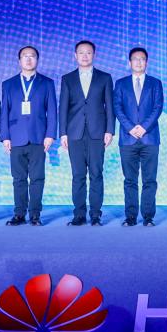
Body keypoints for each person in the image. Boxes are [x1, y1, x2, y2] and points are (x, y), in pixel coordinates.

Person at [59, 40, 115, 226]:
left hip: (97, 133)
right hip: (74, 133)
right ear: (75, 55)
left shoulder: (104, 78)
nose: (85, 56)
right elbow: (63, 107)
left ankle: (96, 214)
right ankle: (79, 215)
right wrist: (63, 133)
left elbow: (110, 106)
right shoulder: (67, 79)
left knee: (96, 174)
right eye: (81, 52)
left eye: (88, 52)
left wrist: (109, 130)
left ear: (94, 55)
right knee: (78, 175)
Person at [0, 45, 58, 226]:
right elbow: (4, 112)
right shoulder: (8, 84)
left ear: (37, 60)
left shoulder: (47, 83)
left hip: (39, 138)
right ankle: (19, 214)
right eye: (25, 56)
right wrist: (5, 136)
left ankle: (35, 215)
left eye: (32, 56)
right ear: (19, 60)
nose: (28, 59)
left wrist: (50, 135)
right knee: (18, 179)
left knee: (37, 178)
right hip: (15, 138)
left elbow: (52, 111)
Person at [114, 47, 164, 226]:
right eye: (135, 59)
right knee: (130, 180)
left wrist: (143, 127)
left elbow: (158, 107)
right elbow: (117, 108)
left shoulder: (155, 83)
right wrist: (130, 128)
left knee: (149, 180)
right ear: (129, 62)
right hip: (128, 139)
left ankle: (148, 217)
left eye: (142, 59)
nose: (139, 62)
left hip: (149, 138)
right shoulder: (120, 83)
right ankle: (131, 217)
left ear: (147, 62)